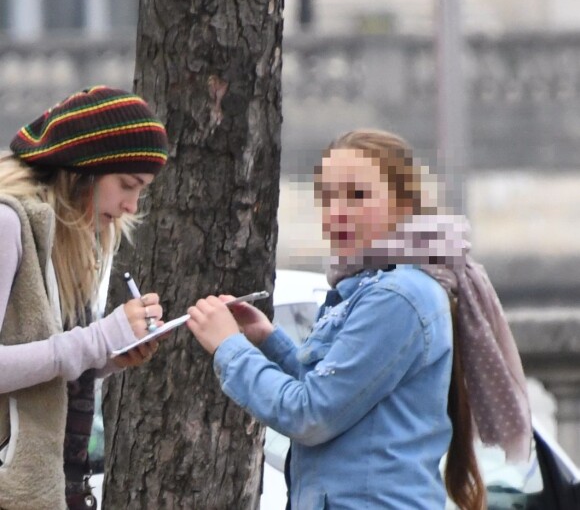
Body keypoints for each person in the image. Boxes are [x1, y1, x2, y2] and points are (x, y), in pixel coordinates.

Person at [187, 129, 532, 509]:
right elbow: (341, 396)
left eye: (357, 196)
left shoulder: (396, 296)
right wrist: (268, 339)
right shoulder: (370, 285)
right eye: (327, 197)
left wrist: (229, 347)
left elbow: (311, 415)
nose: (337, 212)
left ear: (404, 204)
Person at [0, 86, 168, 510]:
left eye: (142, 190)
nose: (131, 205)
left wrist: (109, 356)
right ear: (84, 169)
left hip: (54, 487)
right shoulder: (6, 224)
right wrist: (95, 341)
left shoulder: (70, 242)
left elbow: (46, 372)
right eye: (127, 184)